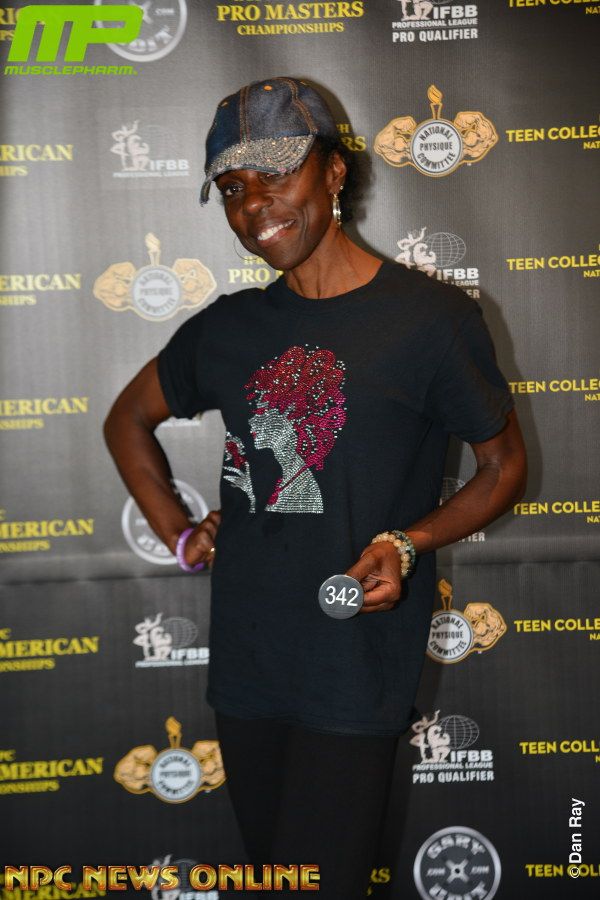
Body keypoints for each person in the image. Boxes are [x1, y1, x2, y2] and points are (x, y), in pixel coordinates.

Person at [104, 76, 527, 898]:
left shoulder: (431, 321)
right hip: (248, 665)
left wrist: (408, 541)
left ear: (334, 171)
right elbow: (127, 421)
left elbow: (504, 466)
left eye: (275, 172)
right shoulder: (228, 329)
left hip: (354, 665)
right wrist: (181, 532)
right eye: (233, 187)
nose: (254, 203)